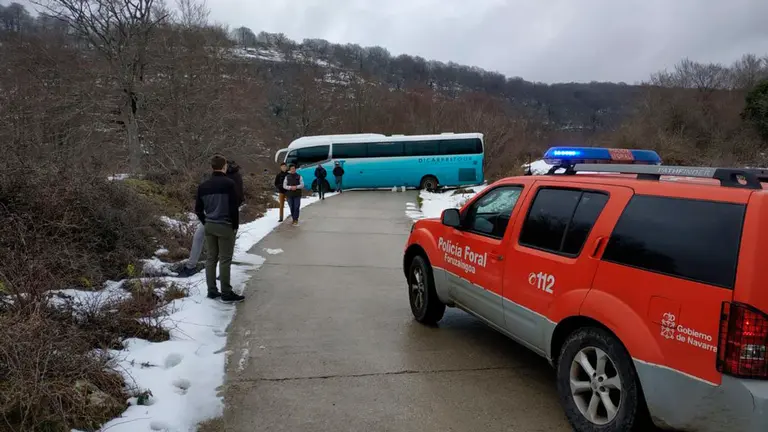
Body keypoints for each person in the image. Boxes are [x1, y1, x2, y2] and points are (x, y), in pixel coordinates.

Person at [178, 159, 244, 278]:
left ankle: (221, 274)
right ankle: (191, 266)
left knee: (223, 248)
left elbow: (238, 198)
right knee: (201, 238)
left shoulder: (235, 178)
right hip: (212, 216)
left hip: (224, 216)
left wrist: (231, 218)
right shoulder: (217, 178)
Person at [195, 154, 244, 303]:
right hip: (225, 225)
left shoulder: (203, 186)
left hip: (209, 225)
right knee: (225, 259)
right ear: (224, 167)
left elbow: (198, 209)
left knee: (211, 258)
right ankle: (226, 293)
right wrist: (235, 225)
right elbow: (233, 207)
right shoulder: (229, 184)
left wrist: (205, 221)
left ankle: (212, 291)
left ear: (211, 167)